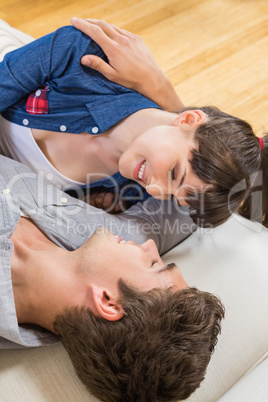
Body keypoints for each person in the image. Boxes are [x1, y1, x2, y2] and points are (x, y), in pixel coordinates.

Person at [0, 154, 224, 402]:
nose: (149, 247)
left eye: (153, 265)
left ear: (107, 301)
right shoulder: (107, 243)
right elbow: (194, 206)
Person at [0, 18, 265, 227]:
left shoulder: (129, 189)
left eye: (173, 195)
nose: (154, 188)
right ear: (187, 119)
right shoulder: (88, 60)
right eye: (173, 173)